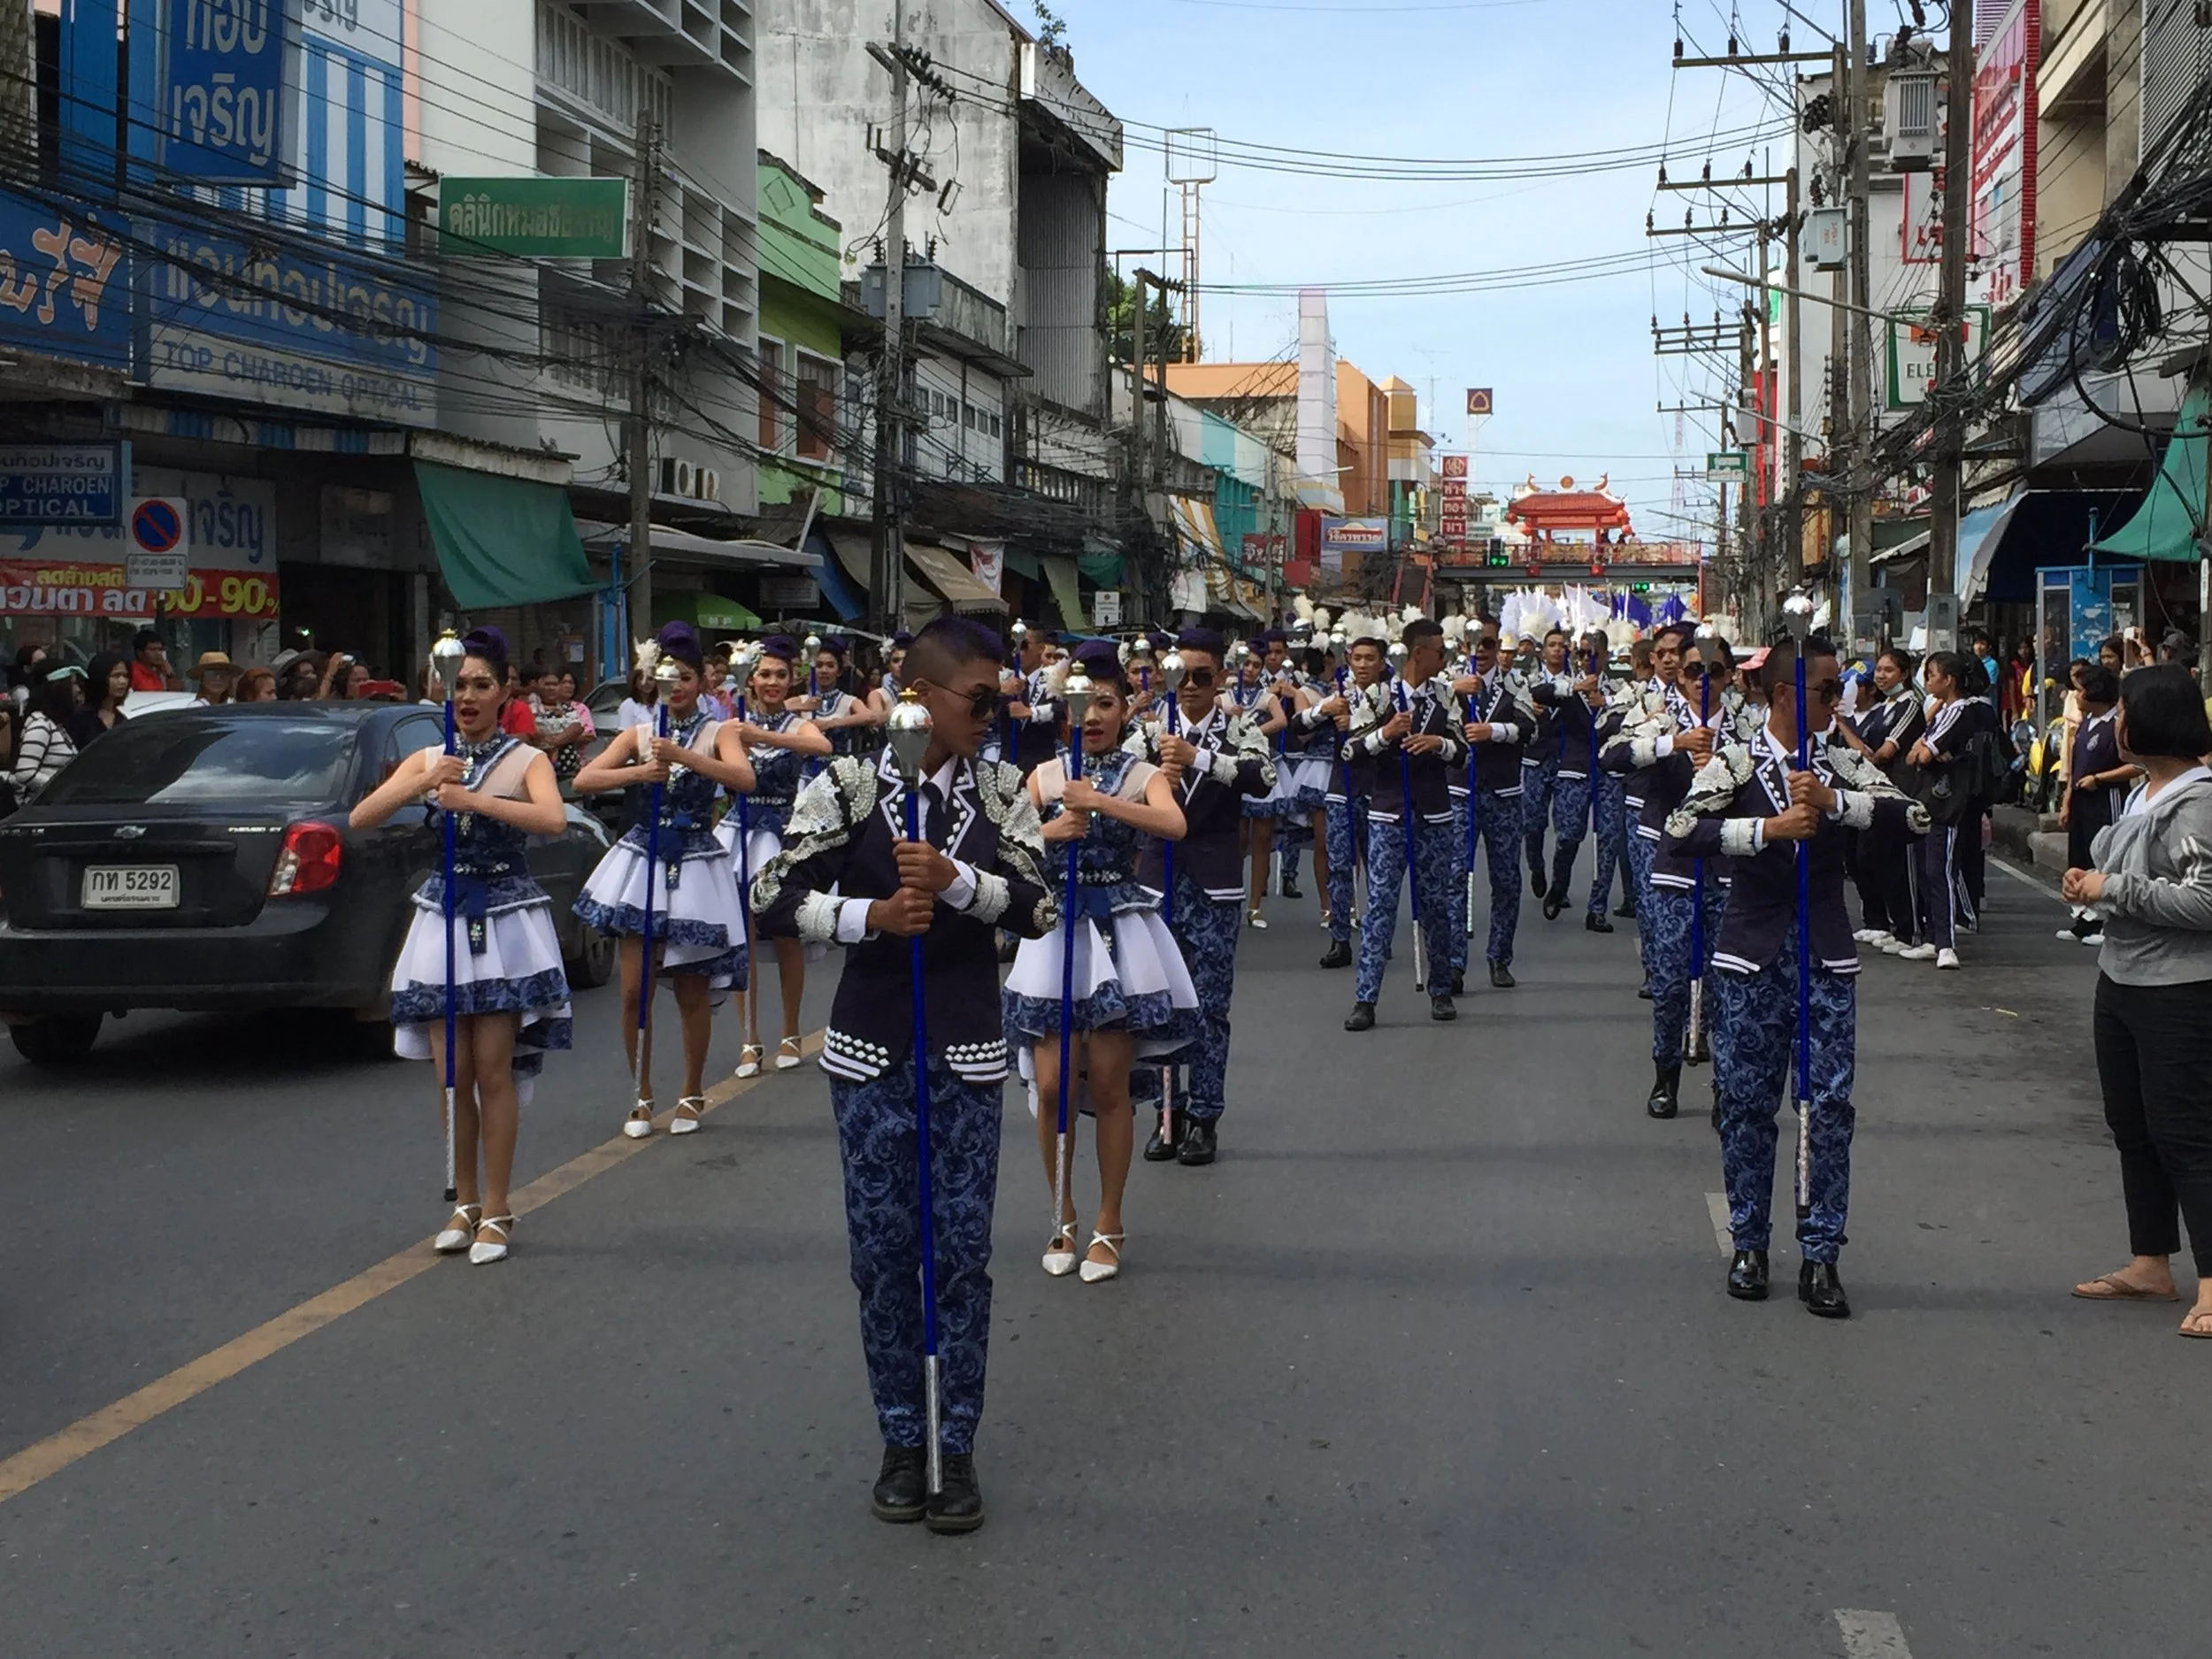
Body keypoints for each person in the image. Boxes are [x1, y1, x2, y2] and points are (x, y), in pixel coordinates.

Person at [752, 616, 1059, 1532]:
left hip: (963, 1046)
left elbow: (1039, 907)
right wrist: (868, 917)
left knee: (959, 1258)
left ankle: (953, 1445)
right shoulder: (844, 785)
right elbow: (771, 894)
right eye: (979, 698)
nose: (994, 713)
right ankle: (899, 1436)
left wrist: (962, 885)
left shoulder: (1004, 790)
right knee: (884, 1257)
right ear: (923, 699)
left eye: (1001, 696)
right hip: (871, 1047)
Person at [1667, 634, 1928, 1317]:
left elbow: (1915, 816)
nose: (1840, 699)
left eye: (1841, 687)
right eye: (1826, 690)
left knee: (1829, 1107)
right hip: (1751, 951)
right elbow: (1681, 830)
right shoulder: (1737, 759)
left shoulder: (1841, 757)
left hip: (1825, 953)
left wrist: (1840, 805)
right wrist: (1766, 830)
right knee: (1750, 1104)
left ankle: (1822, 1251)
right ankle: (1750, 1240)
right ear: (1785, 695)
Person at [346, 626, 572, 1266]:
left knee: (493, 1068)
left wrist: (471, 798)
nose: (468, 696)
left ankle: (498, 1208)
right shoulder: (430, 755)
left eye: (481, 685)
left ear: (504, 691)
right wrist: (423, 782)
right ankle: (463, 1202)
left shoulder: (527, 759)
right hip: (443, 918)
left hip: (501, 918)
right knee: (454, 1076)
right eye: (459, 684)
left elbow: (552, 820)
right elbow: (363, 816)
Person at [1003, 645, 1194, 1283]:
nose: (1092, 717)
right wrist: (1050, 831)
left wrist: (1103, 803)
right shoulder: (1043, 775)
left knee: (1110, 1083)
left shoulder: (1143, 773)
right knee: (1054, 1082)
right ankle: (1062, 1211)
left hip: (1117, 933)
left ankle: (1109, 1220)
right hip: (1056, 930)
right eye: (1080, 705)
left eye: (1105, 704)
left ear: (1121, 709)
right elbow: (1003, 842)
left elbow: (1172, 824)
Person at [2062, 665, 2212, 1336]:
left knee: (2188, 1134)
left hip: (2179, 989)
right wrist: (2092, 883)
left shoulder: (2198, 802)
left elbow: (2205, 901)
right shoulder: (2147, 793)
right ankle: (2151, 1259)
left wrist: (2112, 890)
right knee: (2133, 1126)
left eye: (2123, 712)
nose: (2114, 724)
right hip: (2121, 977)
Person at [572, 623, 755, 1136]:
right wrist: (636, 773)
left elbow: (745, 779)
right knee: (633, 989)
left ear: (701, 682)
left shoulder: (718, 730)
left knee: (690, 989)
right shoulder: (639, 732)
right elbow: (585, 779)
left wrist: (687, 758)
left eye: (687, 677)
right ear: (655, 678)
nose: (677, 687)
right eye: (668, 676)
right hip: (644, 856)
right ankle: (641, 1091)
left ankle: (692, 1089)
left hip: (695, 857)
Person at [1124, 628, 1274, 1165]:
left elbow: (1265, 779)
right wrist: (1149, 779)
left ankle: (1205, 1115)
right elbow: (1116, 786)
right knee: (1159, 1006)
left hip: (1214, 883)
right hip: (1156, 882)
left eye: (1202, 676)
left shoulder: (1240, 729)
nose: (1189, 686)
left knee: (1210, 1006)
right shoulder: (1146, 734)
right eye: (1180, 675)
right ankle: (1170, 1112)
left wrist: (1200, 758)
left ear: (1220, 680)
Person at [1346, 619, 1467, 1029]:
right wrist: (1386, 734)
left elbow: (1463, 751)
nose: (1445, 657)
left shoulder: (1446, 696)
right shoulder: (1378, 696)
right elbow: (1351, 750)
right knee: (1380, 905)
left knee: (1437, 903)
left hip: (1434, 813)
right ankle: (1366, 997)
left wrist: (1439, 744)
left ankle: (1441, 988)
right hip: (1388, 813)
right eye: (1439, 650)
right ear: (1419, 653)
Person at [1635, 634, 1735, 1119]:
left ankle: (1725, 1086)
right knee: (1672, 983)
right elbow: (1611, 755)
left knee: (1728, 987)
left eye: (1714, 673)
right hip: (1676, 869)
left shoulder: (1747, 727)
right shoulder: (1658, 715)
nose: (1703, 681)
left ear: (1728, 677)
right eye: (1695, 672)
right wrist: (1671, 743)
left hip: (1730, 870)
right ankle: (1665, 1076)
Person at [728, 635, 832, 1075]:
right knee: (744, 935)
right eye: (764, 674)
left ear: (791, 680)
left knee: (787, 931)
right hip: (737, 832)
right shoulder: (729, 723)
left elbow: (822, 748)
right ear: (749, 679)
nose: (772, 682)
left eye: (780, 675)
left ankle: (790, 1030)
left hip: (784, 832)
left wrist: (762, 735)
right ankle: (748, 1038)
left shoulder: (797, 725)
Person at [1602, 622, 1701, 995]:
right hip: (1650, 808)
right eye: (1665, 653)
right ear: (1654, 658)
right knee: (1653, 900)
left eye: (1681, 653)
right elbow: (1610, 741)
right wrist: (1660, 738)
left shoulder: (1726, 703)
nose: (1673, 660)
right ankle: (1658, 971)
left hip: (1709, 824)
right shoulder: (1641, 698)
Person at [1451, 625, 1534, 990]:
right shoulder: (1449, 681)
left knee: (1506, 879)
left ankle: (1500, 957)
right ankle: (1453, 961)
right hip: (1461, 792)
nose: (1480, 651)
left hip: (1503, 792)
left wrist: (1495, 731)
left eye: (1487, 645)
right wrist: (1454, 692)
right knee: (1455, 877)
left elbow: (1530, 727)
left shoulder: (1515, 684)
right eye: (1474, 644)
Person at [1303, 636, 1386, 970]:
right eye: (1358, 658)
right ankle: (1340, 936)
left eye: (1370, 658)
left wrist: (1353, 725)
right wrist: (1325, 710)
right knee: (1339, 864)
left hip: (1379, 790)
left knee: (1378, 869)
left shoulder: (1391, 698)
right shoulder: (1340, 695)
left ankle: (1377, 934)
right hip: (1342, 787)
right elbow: (1299, 727)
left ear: (1381, 663)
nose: (1363, 664)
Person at [1837, 648, 1925, 954]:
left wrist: (1842, 727)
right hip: (1873, 793)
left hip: (1898, 791)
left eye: (1889, 671)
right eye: (1880, 670)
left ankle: (1908, 929)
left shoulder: (1909, 705)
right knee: (1868, 859)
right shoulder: (1885, 708)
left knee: (1897, 863)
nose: (1882, 676)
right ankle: (1881, 921)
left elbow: (1880, 754)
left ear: (1904, 674)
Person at [1904, 651, 1988, 968]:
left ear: (1948, 679)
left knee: (1940, 870)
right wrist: (1924, 750)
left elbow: (1924, 755)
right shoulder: (1941, 712)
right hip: (1927, 798)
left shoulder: (1960, 711)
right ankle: (1931, 936)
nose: (1927, 682)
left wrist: (1926, 751)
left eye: (1931, 675)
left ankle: (1946, 944)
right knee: (1927, 869)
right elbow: (1916, 751)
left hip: (1946, 801)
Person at [2059, 663, 2131, 945]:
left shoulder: (2118, 725)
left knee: (2105, 858)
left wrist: (2100, 779)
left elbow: (2136, 766)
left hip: (2106, 799)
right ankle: (2083, 920)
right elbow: (2076, 765)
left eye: (2080, 691)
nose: (2076, 697)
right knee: (2080, 856)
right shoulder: (2087, 723)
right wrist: (2067, 801)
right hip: (2081, 801)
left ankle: (2105, 923)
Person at [1227, 645, 1290, 927]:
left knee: (1262, 837)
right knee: (1237, 837)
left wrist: (1252, 732)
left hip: (1263, 765)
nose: (1250, 669)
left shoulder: (1266, 695)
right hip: (1234, 768)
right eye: (1246, 664)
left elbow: (1281, 720)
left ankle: (1255, 906)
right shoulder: (1224, 695)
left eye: (1255, 664)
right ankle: (1232, 896)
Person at [6, 662, 81, 806]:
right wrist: (58, 788)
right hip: (40, 813)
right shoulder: (40, 724)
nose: (78, 690)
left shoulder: (55, 724)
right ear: (60, 689)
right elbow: (25, 773)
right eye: (73, 684)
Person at [533, 664, 595, 787]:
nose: (551, 688)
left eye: (555, 685)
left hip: (568, 771)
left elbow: (577, 727)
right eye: (547, 684)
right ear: (539, 685)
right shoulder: (532, 708)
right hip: (539, 773)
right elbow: (534, 733)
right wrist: (565, 736)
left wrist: (554, 741)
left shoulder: (569, 709)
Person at [68, 652, 130, 749]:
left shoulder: (122, 720)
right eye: (116, 676)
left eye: (125, 676)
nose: (123, 681)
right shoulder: (82, 717)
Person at [128, 629, 175, 693]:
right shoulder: (132, 672)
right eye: (152, 649)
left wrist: (169, 675)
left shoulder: (161, 670)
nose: (158, 653)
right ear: (140, 653)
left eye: (160, 649)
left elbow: (175, 695)